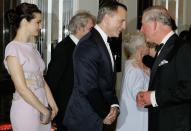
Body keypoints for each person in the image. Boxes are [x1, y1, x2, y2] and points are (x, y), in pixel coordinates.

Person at [63, 2, 127, 131]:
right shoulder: (88, 44)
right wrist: (105, 113)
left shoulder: (103, 41)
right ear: (107, 18)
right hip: (86, 119)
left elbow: (107, 82)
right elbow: (88, 87)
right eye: (121, 21)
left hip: (99, 117)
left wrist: (114, 104)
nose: (124, 26)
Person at [4, 3, 58, 131]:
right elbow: (22, 88)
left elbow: (42, 81)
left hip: (42, 105)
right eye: (38, 22)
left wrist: (53, 105)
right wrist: (45, 111)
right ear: (24, 22)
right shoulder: (13, 48)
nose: (40, 26)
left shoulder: (33, 48)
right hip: (26, 109)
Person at [136, 6, 191, 131]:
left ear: (155, 24)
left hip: (175, 125)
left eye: (143, 25)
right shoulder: (165, 48)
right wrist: (148, 96)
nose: (141, 30)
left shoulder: (182, 48)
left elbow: (188, 89)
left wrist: (154, 97)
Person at [45, 11, 95, 131]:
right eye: (90, 29)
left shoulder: (84, 47)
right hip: (66, 110)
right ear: (79, 28)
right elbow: (52, 80)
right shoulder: (64, 48)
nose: (93, 33)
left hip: (81, 109)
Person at [116, 32, 150, 131]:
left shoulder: (132, 64)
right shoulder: (135, 69)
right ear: (140, 48)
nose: (149, 45)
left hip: (135, 116)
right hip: (136, 120)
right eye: (146, 43)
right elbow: (140, 96)